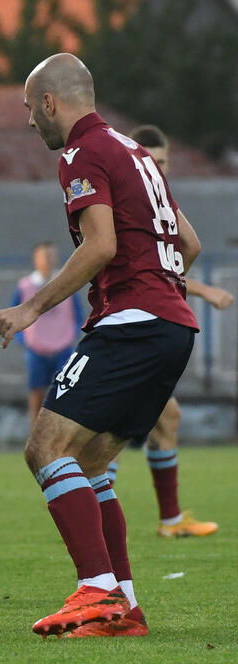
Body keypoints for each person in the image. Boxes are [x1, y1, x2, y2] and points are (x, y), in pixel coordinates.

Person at [0, 54, 201, 638]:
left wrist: (31, 308)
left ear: (49, 102)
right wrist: (159, 290)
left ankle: (96, 589)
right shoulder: (134, 152)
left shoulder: (82, 154)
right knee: (90, 464)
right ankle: (122, 608)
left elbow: (101, 245)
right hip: (171, 327)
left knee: (45, 448)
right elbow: (189, 243)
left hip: (131, 325)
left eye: (30, 108)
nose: (29, 121)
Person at [102, 124, 231, 538]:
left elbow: (166, 268)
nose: (159, 168)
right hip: (129, 326)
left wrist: (172, 289)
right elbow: (152, 270)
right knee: (112, 429)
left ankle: (169, 520)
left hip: (142, 323)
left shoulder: (156, 201)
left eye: (164, 161)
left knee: (161, 417)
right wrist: (200, 290)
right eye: (153, 161)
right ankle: (102, 517)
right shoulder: (130, 204)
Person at [11, 241, 83, 425]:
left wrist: (70, 336)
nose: (49, 260)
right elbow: (15, 316)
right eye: (45, 256)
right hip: (36, 350)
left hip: (63, 348)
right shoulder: (25, 286)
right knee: (37, 394)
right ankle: (35, 434)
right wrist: (24, 340)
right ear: (36, 259)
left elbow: (77, 313)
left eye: (52, 255)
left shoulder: (66, 283)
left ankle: (61, 433)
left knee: (65, 393)